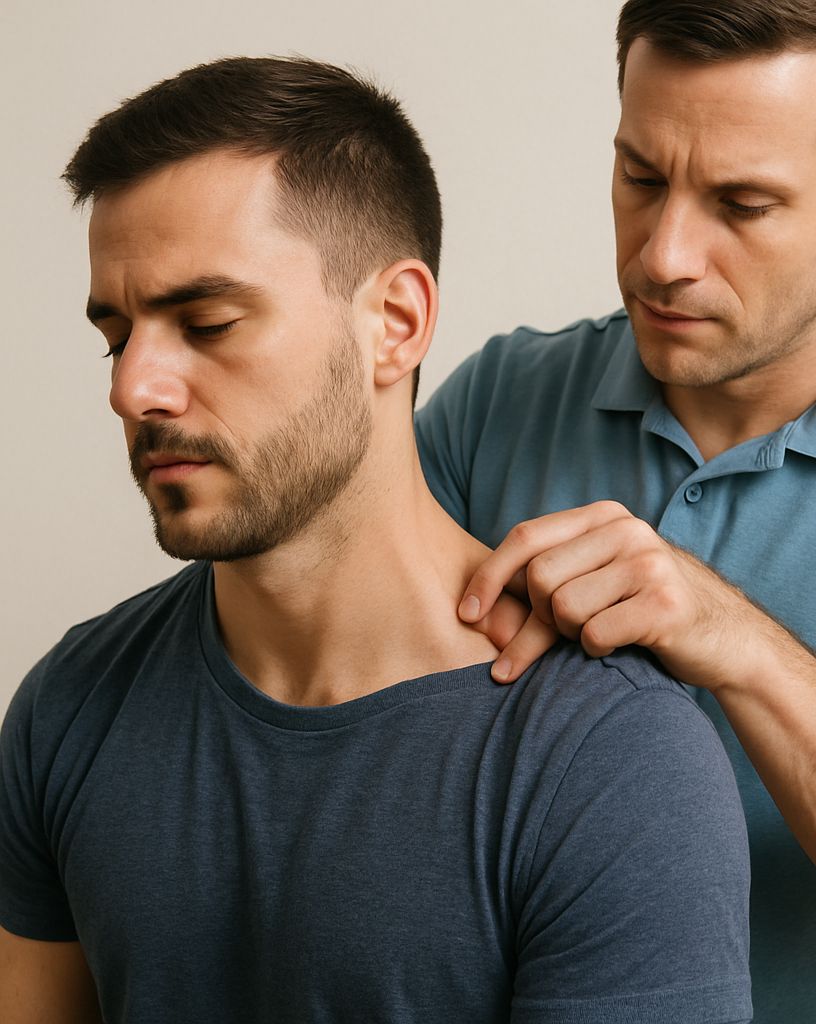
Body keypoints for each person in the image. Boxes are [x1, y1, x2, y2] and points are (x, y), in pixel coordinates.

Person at [0, 56, 753, 1024]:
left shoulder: (607, 758)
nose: (133, 387)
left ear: (394, 323)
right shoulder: (72, 703)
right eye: (118, 333)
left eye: (207, 321)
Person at [415, 2, 816, 1022]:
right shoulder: (494, 404)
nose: (664, 255)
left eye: (740, 204)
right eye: (641, 178)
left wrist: (728, 635)